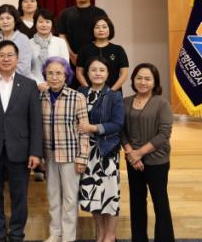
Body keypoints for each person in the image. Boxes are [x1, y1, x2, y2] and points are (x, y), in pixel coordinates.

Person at [0, 40, 42, 242]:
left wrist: (35, 152)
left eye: (10, 55)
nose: (5, 59)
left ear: (17, 58)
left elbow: (35, 121)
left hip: (20, 149)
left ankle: (16, 234)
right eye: (1, 55)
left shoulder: (29, 85)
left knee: (19, 195)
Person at [121, 63, 174, 242]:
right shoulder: (125, 102)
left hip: (157, 160)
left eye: (147, 79)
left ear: (154, 82)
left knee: (160, 203)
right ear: (133, 80)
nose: (142, 82)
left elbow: (164, 134)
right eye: (139, 78)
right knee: (136, 203)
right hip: (133, 160)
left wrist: (139, 153)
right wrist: (131, 153)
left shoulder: (162, 103)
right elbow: (121, 130)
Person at [39, 57, 89, 242]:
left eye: (58, 73)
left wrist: (82, 157)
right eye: (50, 73)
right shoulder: (41, 97)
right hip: (49, 156)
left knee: (69, 199)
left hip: (70, 156)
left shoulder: (77, 97)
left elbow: (84, 131)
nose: (54, 77)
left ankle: (68, 237)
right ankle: (55, 234)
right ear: (45, 75)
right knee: (53, 197)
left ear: (66, 75)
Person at [77, 57, 124, 242]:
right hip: (86, 152)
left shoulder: (114, 96)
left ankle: (110, 236)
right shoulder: (80, 93)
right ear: (87, 73)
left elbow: (117, 124)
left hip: (106, 152)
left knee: (110, 195)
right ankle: (100, 233)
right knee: (93, 194)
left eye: (102, 70)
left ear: (108, 73)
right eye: (94, 70)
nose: (97, 73)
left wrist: (93, 128)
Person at [57, 0, 108, 74]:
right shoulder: (65, 13)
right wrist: (71, 55)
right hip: (71, 59)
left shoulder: (99, 13)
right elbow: (62, 36)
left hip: (95, 59)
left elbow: (104, 36)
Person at [75, 16, 129, 91]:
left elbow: (124, 73)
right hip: (89, 93)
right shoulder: (84, 50)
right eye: (97, 27)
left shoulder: (118, 50)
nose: (101, 30)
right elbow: (79, 72)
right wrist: (89, 90)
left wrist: (111, 91)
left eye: (104, 27)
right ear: (92, 30)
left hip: (113, 92)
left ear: (110, 29)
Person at [30, 9, 70, 91]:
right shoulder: (28, 43)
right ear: (35, 23)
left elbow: (65, 66)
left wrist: (55, 83)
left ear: (52, 24)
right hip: (33, 87)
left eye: (47, 22)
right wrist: (38, 84)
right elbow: (25, 69)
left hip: (57, 87)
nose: (44, 25)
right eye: (40, 22)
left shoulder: (60, 42)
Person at [0, 4, 32, 78]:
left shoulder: (23, 39)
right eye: (1, 19)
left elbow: (25, 66)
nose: (5, 21)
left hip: (18, 80)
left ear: (15, 20)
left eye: (8, 18)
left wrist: (6, 77)